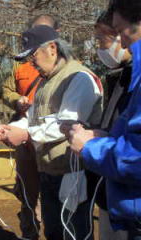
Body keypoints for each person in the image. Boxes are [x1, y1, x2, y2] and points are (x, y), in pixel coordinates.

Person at [0, 25, 103, 240]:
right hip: (49, 170)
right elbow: (34, 117)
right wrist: (12, 129)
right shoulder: (46, 81)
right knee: (53, 232)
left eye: (32, 56)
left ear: (52, 48)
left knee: (74, 232)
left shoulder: (79, 78)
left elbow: (67, 124)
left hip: (73, 172)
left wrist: (25, 135)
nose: (31, 63)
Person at [65, 1, 141, 239]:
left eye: (119, 31)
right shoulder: (127, 76)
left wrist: (90, 148)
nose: (123, 41)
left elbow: (136, 158)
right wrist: (105, 136)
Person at [2, 14, 60, 240]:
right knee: (27, 190)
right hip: (24, 140)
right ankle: (29, 232)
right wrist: (16, 99)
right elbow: (6, 90)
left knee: (53, 192)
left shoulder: (69, 71)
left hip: (52, 143)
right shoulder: (20, 66)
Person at [87, 10, 132, 240]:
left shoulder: (134, 78)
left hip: (129, 201)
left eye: (101, 39)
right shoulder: (118, 76)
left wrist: (91, 144)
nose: (98, 46)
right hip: (111, 192)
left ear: (120, 35)